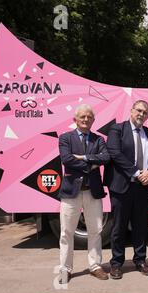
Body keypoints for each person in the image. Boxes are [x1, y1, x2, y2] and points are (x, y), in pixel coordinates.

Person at [104, 100, 148, 279]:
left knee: (141, 226)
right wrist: (136, 172)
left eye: (145, 112)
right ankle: (117, 264)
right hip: (122, 186)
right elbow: (114, 153)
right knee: (119, 226)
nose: (141, 114)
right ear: (132, 110)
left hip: (143, 187)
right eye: (139, 110)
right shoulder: (117, 129)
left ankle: (140, 260)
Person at [58, 104, 110, 283]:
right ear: (75, 119)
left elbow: (105, 157)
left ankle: (95, 266)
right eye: (82, 116)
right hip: (71, 192)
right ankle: (65, 269)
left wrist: (83, 158)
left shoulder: (98, 139)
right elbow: (66, 159)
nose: (86, 119)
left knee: (96, 230)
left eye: (89, 117)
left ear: (93, 120)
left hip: (92, 192)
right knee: (66, 232)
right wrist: (91, 165)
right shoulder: (65, 138)